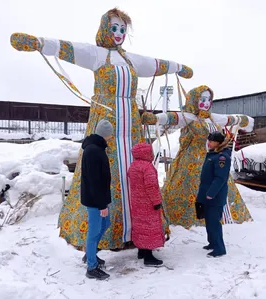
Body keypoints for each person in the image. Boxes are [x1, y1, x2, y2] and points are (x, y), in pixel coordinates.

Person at [10, 7, 193, 250]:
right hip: (106, 118)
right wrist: (39, 43)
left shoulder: (131, 60)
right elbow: (67, 48)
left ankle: (142, 229)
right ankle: (107, 232)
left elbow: (155, 64)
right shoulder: (96, 55)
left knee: (136, 170)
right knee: (103, 168)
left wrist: (178, 67)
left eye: (122, 30)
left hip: (131, 123)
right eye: (114, 28)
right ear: (105, 29)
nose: (118, 34)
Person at [141, 85, 253, 231]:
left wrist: (242, 120)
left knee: (218, 184)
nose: (206, 103)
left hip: (213, 161)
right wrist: (155, 118)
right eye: (203, 99)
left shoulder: (212, 118)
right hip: (191, 163)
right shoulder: (188, 117)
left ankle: (223, 214)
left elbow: (228, 119)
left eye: (209, 100)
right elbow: (172, 117)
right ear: (194, 100)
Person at [80, 119, 113, 280]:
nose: (111, 138)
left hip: (99, 199)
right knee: (93, 233)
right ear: (106, 135)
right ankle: (91, 267)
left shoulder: (96, 148)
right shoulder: (94, 151)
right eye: (110, 136)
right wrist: (101, 205)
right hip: (95, 201)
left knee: (106, 223)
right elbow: (94, 181)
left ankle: (90, 253)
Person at [127, 143, 165, 267]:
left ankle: (141, 251)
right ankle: (148, 257)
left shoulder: (133, 166)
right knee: (149, 227)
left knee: (139, 227)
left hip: (136, 202)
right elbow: (151, 186)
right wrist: (157, 201)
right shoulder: (147, 167)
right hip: (148, 203)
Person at [197, 131, 231, 258]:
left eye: (211, 141)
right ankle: (212, 243)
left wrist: (211, 193)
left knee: (214, 221)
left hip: (214, 196)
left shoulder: (222, 157)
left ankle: (219, 248)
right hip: (207, 193)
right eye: (209, 140)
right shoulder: (214, 154)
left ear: (218, 142)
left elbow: (220, 178)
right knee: (209, 220)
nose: (209, 143)